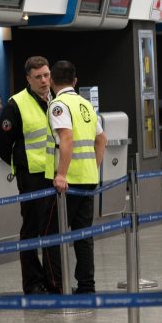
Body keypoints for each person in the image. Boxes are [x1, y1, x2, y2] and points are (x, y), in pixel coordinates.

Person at [0, 57, 59, 294]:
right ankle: (33, 282)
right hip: (31, 176)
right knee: (32, 229)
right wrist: (19, 165)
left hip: (53, 173)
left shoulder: (55, 100)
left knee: (51, 229)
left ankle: (53, 281)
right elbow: (3, 144)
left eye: (46, 75)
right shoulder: (16, 105)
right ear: (28, 79)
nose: (44, 80)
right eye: (38, 77)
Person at [45, 60, 107, 294]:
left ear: (52, 81)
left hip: (68, 182)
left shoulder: (58, 105)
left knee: (53, 234)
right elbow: (102, 139)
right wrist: (93, 165)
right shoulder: (86, 104)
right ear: (75, 81)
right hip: (89, 178)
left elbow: (67, 138)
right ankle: (86, 284)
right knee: (83, 235)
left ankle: (58, 287)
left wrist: (61, 174)